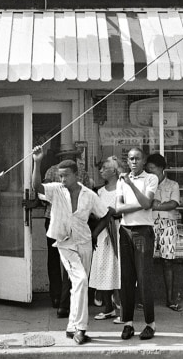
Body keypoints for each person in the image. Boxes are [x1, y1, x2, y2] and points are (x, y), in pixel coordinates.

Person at [32, 149, 110, 344]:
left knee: (78, 285)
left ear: (76, 175)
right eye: (60, 176)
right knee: (81, 280)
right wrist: (37, 162)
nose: (63, 179)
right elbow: (37, 187)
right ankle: (81, 328)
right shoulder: (56, 190)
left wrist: (94, 234)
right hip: (64, 243)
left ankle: (71, 326)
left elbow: (105, 214)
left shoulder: (89, 195)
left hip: (84, 241)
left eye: (66, 175)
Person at [116, 147, 158, 341]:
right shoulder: (121, 180)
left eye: (137, 159)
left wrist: (132, 186)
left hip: (142, 230)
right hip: (125, 230)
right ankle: (128, 323)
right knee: (126, 278)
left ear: (144, 161)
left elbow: (148, 203)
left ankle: (150, 323)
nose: (133, 162)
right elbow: (118, 207)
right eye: (130, 159)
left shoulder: (150, 179)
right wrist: (141, 204)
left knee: (144, 278)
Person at [42, 143, 89, 317]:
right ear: (60, 156)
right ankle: (56, 295)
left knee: (68, 260)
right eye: (66, 155)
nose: (69, 157)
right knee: (55, 259)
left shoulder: (81, 171)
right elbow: (44, 195)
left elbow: (85, 194)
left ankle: (64, 298)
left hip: (72, 220)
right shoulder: (51, 171)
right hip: (53, 219)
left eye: (72, 155)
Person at [146, 153, 182, 312]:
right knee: (145, 261)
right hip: (149, 222)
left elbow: (173, 204)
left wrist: (156, 205)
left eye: (152, 169)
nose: (150, 172)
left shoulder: (173, 185)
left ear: (161, 168)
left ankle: (170, 298)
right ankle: (144, 298)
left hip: (168, 224)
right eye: (148, 169)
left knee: (168, 261)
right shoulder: (147, 185)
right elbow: (145, 203)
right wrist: (161, 205)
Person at [90, 157, 123, 322]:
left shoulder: (122, 189)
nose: (101, 171)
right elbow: (98, 212)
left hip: (117, 230)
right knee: (103, 267)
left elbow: (121, 210)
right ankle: (108, 307)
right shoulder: (101, 191)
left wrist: (111, 213)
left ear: (114, 171)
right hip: (103, 233)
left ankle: (122, 307)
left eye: (104, 168)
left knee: (118, 267)